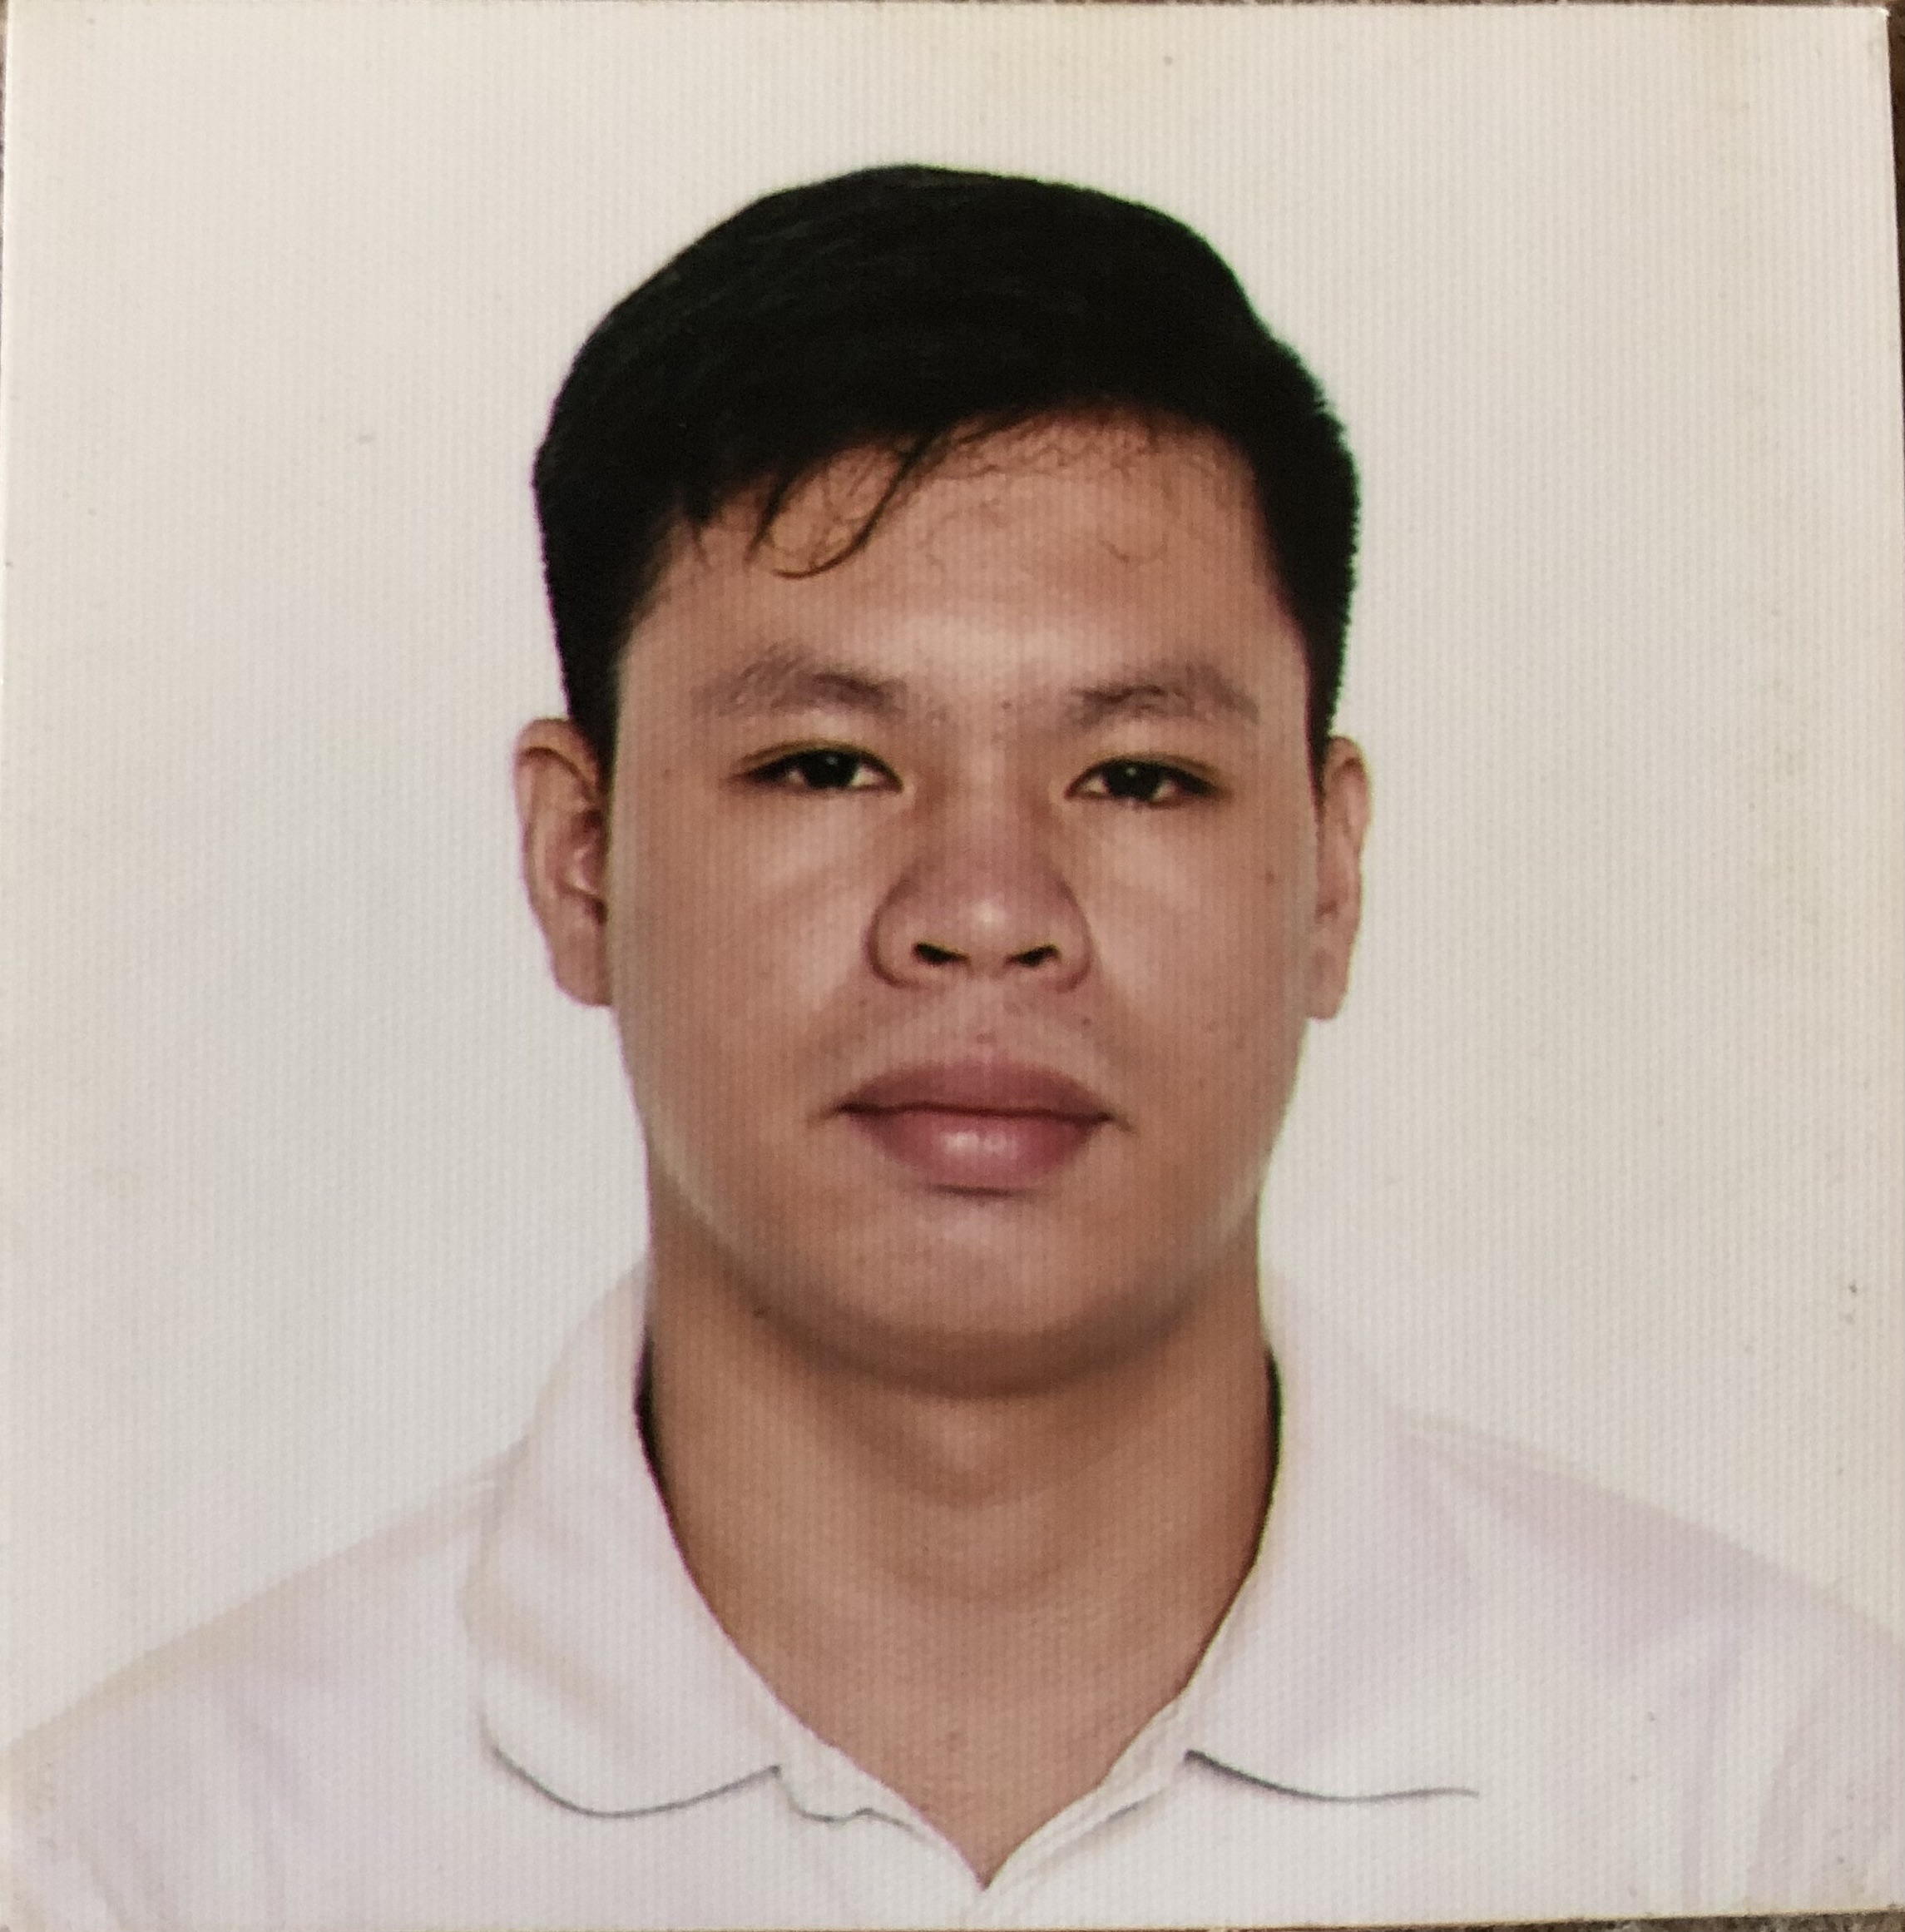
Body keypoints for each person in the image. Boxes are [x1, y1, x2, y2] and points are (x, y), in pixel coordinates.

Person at [4, 165, 1900, 1932]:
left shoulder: (1779, 1795)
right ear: (580, 861)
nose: (984, 910)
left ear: (1327, 878)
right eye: (826, 763)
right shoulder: (155, 1862)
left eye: (1136, 775)